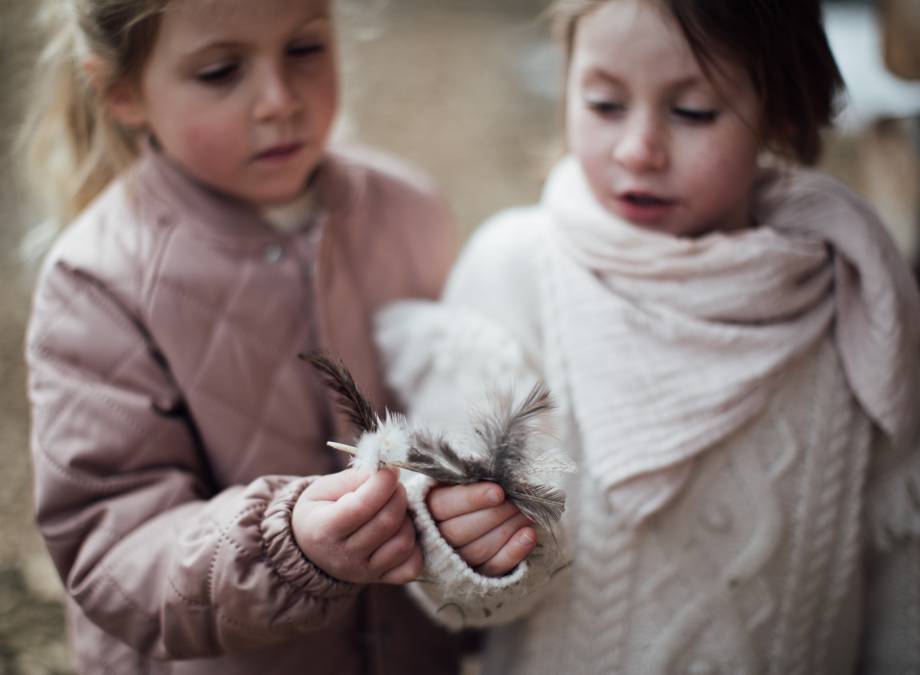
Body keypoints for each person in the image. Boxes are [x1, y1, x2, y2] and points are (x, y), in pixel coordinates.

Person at [372, 0, 920, 673]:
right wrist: (473, 549)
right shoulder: (518, 276)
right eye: (604, 104)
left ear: (779, 108)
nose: (638, 149)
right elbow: (460, 592)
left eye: (692, 112)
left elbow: (903, 551)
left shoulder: (854, 289)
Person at [20, 0, 474, 672]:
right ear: (122, 92)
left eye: (303, 49)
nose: (278, 100)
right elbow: (110, 548)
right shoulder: (97, 282)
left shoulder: (408, 210)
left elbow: (463, 401)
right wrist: (287, 543)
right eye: (220, 71)